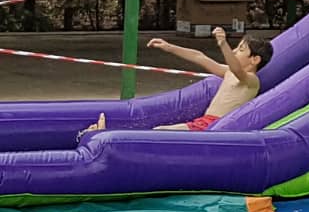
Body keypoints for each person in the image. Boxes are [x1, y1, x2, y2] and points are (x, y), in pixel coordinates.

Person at [81, 27, 273, 136]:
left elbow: (237, 69)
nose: (235, 51)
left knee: (159, 132)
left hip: (215, 127)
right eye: (235, 48)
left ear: (255, 60)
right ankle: (105, 135)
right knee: (158, 131)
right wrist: (170, 47)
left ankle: (105, 135)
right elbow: (200, 57)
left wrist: (223, 44)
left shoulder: (251, 81)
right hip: (204, 122)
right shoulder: (229, 73)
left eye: (240, 50)